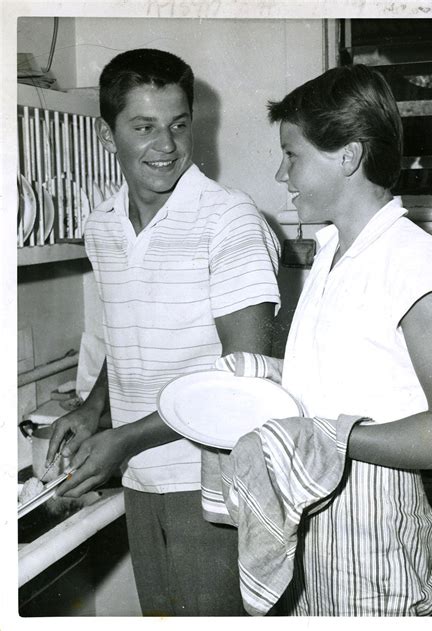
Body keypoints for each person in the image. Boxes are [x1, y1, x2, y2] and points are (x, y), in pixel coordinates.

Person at [211, 64, 432, 616]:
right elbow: (349, 384)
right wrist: (263, 376)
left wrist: (329, 437)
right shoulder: (332, 254)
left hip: (373, 533)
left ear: (348, 156)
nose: (280, 174)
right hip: (312, 518)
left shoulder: (415, 264)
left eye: (292, 155)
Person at [46, 48, 281, 616]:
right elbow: (125, 336)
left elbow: (240, 385)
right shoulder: (101, 224)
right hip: (142, 478)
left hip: (213, 480)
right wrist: (93, 409)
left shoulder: (229, 219)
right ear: (109, 136)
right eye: (144, 127)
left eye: (179, 125)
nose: (167, 146)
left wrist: (124, 437)